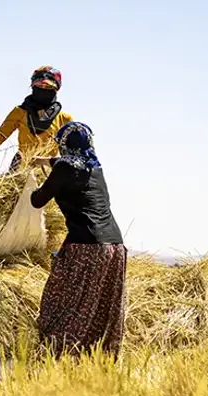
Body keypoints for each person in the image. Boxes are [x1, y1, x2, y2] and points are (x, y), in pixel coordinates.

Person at [29, 121, 127, 357]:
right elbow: (71, 165)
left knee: (63, 300)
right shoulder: (96, 169)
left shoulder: (64, 169)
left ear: (63, 144)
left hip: (86, 247)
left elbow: (37, 200)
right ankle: (96, 356)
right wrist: (45, 162)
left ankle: (58, 352)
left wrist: (27, 186)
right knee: (102, 304)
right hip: (115, 247)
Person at [0, 66, 74, 173]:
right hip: (21, 170)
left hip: (49, 173)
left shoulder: (64, 119)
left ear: (56, 89)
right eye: (39, 86)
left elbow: (72, 153)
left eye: (48, 87)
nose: (43, 89)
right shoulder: (20, 112)